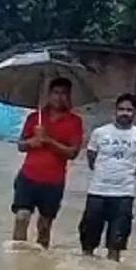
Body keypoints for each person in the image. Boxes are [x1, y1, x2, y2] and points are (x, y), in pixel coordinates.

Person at [12, 77, 85, 248]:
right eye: (56, 93)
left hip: (53, 182)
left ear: (69, 97)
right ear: (49, 95)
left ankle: (41, 258)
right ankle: (18, 257)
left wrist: (48, 140)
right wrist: (31, 142)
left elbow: (72, 153)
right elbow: (20, 145)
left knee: (44, 226)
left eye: (64, 94)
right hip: (28, 176)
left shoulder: (75, 122)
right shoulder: (34, 118)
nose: (59, 97)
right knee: (21, 217)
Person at [80, 93, 136, 261]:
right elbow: (91, 159)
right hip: (97, 191)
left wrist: (125, 175)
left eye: (129, 110)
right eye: (121, 109)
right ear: (115, 111)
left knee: (116, 243)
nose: (124, 113)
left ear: (135, 113)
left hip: (124, 194)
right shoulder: (99, 133)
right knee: (88, 241)